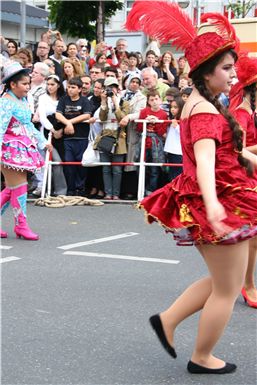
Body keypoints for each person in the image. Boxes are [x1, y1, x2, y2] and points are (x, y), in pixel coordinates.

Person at [126, 2, 257, 374]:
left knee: (222, 281)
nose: (234, 76)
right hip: (217, 202)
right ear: (205, 72)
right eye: (227, 69)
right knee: (228, 290)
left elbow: (232, 157)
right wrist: (215, 206)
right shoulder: (203, 111)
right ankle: (202, 357)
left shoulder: (207, 103)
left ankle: (167, 321)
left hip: (225, 197)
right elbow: (204, 162)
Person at [0, 61, 52, 240]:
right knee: (19, 187)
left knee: (12, 188)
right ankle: (21, 226)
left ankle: (20, 225)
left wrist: (42, 141)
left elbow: (28, 125)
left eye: (28, 83)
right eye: (24, 84)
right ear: (12, 84)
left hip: (22, 147)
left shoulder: (21, 100)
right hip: (8, 148)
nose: (27, 87)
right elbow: (0, 128)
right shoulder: (5, 102)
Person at [229, 53, 257, 308]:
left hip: (253, 174)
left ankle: (246, 282)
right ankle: (246, 284)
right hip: (246, 177)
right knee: (251, 237)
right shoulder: (242, 113)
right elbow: (239, 150)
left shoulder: (250, 110)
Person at [56, 77, 92, 196]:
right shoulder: (63, 99)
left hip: (82, 137)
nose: (70, 90)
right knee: (69, 164)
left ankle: (80, 189)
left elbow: (87, 115)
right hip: (68, 139)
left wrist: (70, 122)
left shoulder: (85, 101)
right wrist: (67, 123)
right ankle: (70, 189)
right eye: (69, 87)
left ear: (80, 89)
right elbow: (58, 114)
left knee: (81, 164)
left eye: (73, 87)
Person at [94, 77, 130, 200]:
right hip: (105, 137)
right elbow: (102, 118)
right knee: (105, 168)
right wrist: (104, 102)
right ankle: (108, 193)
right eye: (108, 88)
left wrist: (115, 102)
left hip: (118, 138)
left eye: (113, 87)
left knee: (117, 169)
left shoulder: (124, 103)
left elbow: (122, 119)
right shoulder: (104, 102)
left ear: (118, 88)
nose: (111, 90)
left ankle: (116, 194)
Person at [37, 74, 67, 196]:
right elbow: (42, 117)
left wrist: (61, 131)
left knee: (61, 161)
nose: (49, 87)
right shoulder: (43, 98)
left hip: (62, 134)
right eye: (48, 84)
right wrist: (53, 130)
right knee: (54, 160)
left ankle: (56, 190)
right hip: (47, 134)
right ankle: (54, 190)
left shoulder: (64, 98)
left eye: (52, 84)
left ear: (58, 85)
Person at [119, 74, 147, 199]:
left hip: (132, 130)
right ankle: (116, 190)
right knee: (118, 158)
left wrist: (128, 117)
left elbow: (140, 112)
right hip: (119, 129)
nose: (134, 84)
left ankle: (130, 191)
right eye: (132, 81)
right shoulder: (121, 94)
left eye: (137, 82)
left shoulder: (142, 97)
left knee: (130, 160)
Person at [137, 90, 168, 195]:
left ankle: (151, 191)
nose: (154, 102)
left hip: (156, 143)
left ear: (160, 100)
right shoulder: (144, 111)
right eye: (152, 100)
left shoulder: (163, 114)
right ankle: (142, 189)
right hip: (144, 142)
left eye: (156, 99)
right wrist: (146, 120)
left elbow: (161, 132)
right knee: (141, 167)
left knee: (154, 169)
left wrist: (156, 121)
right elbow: (139, 128)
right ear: (148, 101)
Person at [164, 96, 184, 181]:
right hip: (171, 150)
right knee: (172, 174)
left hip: (178, 152)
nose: (172, 109)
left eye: (175, 107)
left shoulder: (183, 119)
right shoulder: (172, 119)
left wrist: (176, 126)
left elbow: (186, 133)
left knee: (177, 175)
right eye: (171, 107)